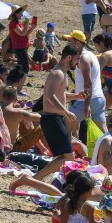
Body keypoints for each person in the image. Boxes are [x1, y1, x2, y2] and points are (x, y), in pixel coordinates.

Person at [32, 44, 81, 181]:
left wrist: (77, 96)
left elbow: (60, 94)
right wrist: (66, 111)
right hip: (51, 118)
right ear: (69, 57)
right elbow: (49, 96)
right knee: (68, 157)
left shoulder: (62, 73)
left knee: (66, 156)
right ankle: (36, 178)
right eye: (77, 59)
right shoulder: (57, 73)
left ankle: (38, 177)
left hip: (55, 118)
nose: (77, 63)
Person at [64, 30, 105, 133]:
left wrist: (87, 106)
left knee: (64, 125)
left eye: (70, 41)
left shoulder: (83, 58)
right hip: (99, 98)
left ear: (78, 43)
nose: (68, 44)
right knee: (103, 132)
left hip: (87, 100)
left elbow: (88, 82)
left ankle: (64, 149)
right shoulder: (91, 54)